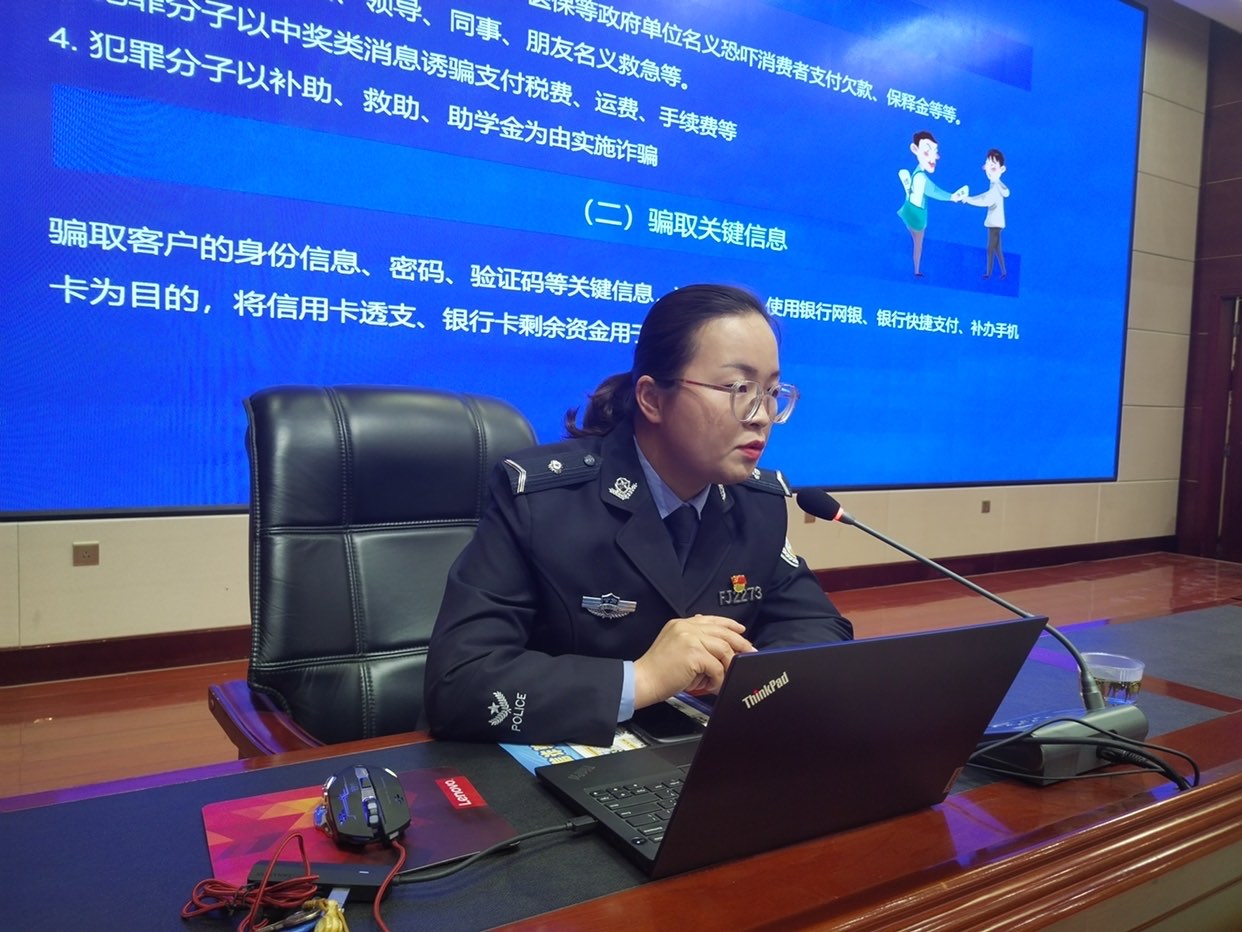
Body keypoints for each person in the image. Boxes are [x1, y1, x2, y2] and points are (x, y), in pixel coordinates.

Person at [424, 284, 853, 746]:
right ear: (651, 399)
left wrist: (750, 678)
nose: (762, 415)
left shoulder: (756, 504)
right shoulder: (542, 502)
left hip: (688, 757)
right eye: (738, 388)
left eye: (770, 391)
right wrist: (641, 679)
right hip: (555, 761)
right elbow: (458, 686)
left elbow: (821, 630)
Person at [897, 130, 966, 276]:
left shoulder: (918, 172)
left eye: (935, 151)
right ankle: (916, 270)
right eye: (927, 151)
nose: (935, 157)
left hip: (911, 208)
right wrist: (952, 197)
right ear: (915, 149)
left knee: (914, 237)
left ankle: (908, 190)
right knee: (918, 243)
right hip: (917, 215)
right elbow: (935, 191)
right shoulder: (922, 178)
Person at [954, 148, 1009, 279]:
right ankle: (1003, 272)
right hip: (996, 223)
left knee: (991, 248)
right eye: (987, 166)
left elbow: (985, 200)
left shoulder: (996, 187)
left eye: (993, 168)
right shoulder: (996, 185)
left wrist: (968, 199)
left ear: (1002, 169)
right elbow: (985, 197)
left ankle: (989, 273)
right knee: (997, 249)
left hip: (994, 223)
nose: (989, 171)